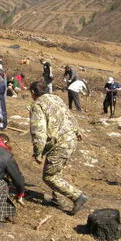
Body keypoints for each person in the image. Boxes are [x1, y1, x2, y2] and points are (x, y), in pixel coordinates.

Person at [29, 81, 88, 215]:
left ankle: (78, 196)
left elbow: (38, 131)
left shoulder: (38, 105)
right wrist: (77, 131)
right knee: (57, 170)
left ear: (33, 92)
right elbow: (68, 115)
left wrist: (37, 152)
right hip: (71, 139)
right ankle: (58, 199)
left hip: (60, 143)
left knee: (49, 176)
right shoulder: (56, 98)